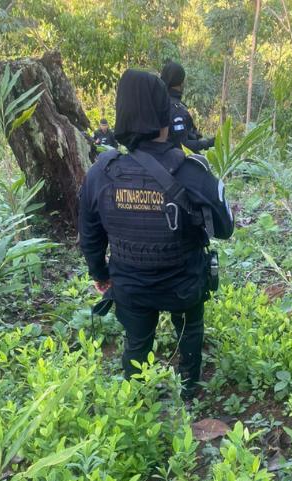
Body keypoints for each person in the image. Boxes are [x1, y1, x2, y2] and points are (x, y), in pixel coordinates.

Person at [78, 69, 233, 400]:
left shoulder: (101, 172)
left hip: (130, 286)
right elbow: (225, 228)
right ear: (166, 116)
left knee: (137, 342)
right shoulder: (193, 170)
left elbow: (89, 235)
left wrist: (100, 274)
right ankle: (189, 388)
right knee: (189, 330)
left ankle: (136, 400)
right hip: (183, 284)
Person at [160, 61, 214, 153]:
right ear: (181, 82)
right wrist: (209, 143)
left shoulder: (160, 101)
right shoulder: (175, 108)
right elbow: (182, 145)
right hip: (175, 160)